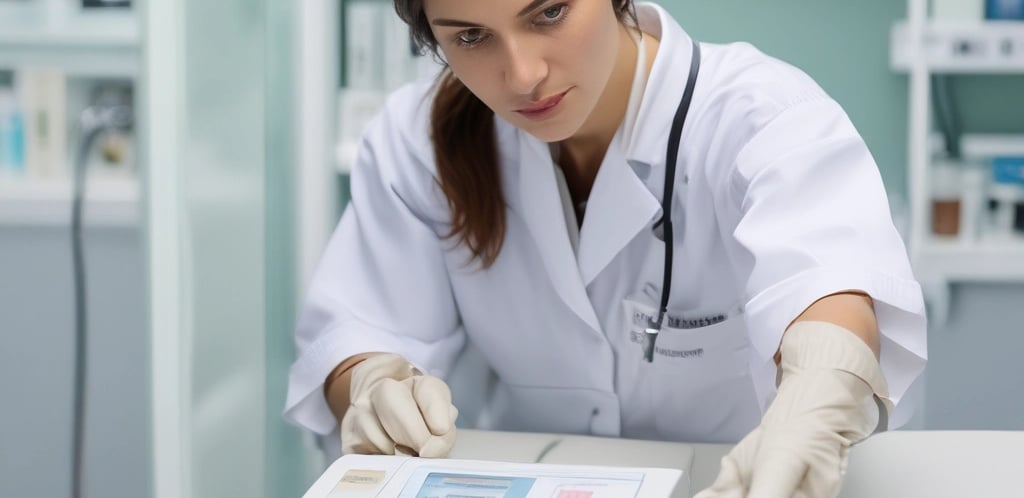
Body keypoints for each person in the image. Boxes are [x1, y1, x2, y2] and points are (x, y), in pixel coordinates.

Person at [285, 0, 927, 496]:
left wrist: (814, 402)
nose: (524, 75)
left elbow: (829, 288)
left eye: (549, 13)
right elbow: (357, 330)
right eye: (471, 37)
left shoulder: (757, 115)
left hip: (741, 481)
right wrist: (371, 385)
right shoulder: (419, 141)